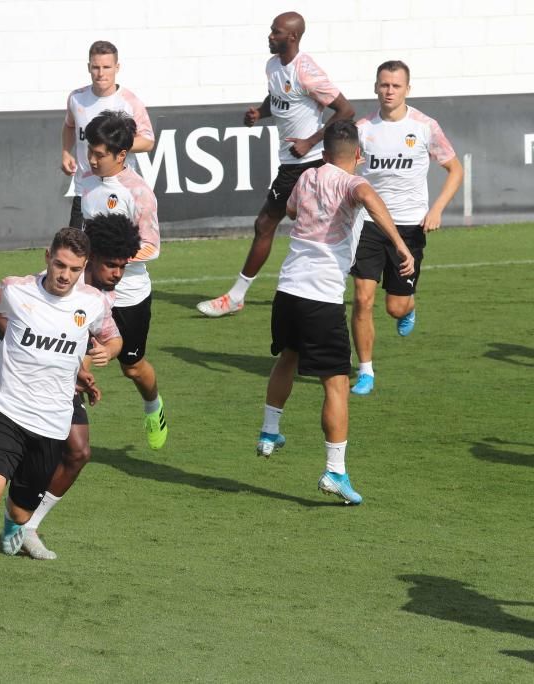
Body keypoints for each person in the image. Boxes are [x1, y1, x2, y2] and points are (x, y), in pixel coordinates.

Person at [0, 228, 122, 630]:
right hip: (8, 411)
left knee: (19, 511)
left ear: (84, 269)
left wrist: (105, 353)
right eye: (59, 265)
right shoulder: (16, 290)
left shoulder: (93, 302)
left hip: (52, 424)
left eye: (75, 269)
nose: (65, 275)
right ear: (47, 256)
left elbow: (111, 336)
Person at [0, 213, 141, 561]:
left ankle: (24, 522)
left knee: (79, 451)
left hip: (59, 386)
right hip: (9, 376)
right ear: (93, 262)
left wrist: (83, 367)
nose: (117, 274)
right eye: (112, 266)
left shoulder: (98, 298)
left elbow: (101, 339)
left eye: (123, 267)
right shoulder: (33, 285)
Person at [256, 120, 414, 505]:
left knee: (288, 357)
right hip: (320, 297)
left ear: (324, 153)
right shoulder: (350, 183)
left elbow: (291, 211)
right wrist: (399, 246)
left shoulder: (307, 176)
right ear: (357, 156)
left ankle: (268, 431)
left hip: (287, 289)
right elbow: (368, 197)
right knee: (337, 382)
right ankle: (335, 471)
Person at [197, 11, 354, 318]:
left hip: (307, 164)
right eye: (271, 31)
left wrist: (310, 140)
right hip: (291, 163)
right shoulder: (273, 66)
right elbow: (279, 98)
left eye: (276, 32)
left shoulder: (307, 72)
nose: (270, 36)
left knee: (268, 225)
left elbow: (345, 109)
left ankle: (236, 297)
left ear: (292, 37)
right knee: (314, 226)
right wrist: (259, 112)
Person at [349, 60, 463, 395]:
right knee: (362, 298)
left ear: (407, 90)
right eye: (384, 84)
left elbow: (455, 170)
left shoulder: (425, 127)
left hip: (410, 226)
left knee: (395, 306)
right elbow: (347, 169)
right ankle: (366, 371)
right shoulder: (362, 128)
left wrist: (437, 209)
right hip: (369, 224)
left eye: (396, 86)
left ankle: (408, 307)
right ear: (375, 87)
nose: (389, 91)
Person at [80, 110, 167, 450]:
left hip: (129, 294)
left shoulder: (139, 193)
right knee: (75, 357)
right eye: (90, 151)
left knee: (131, 367)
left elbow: (152, 248)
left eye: (99, 154)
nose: (92, 159)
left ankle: (153, 406)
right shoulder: (86, 181)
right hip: (88, 290)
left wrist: (113, 258)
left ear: (120, 155)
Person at [61, 40, 155, 229]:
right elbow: (69, 126)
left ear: (117, 67)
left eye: (107, 67)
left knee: (120, 252)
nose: (101, 73)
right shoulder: (76, 98)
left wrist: (114, 143)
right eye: (96, 67)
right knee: (77, 252)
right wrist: (65, 152)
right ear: (88, 67)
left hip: (119, 190)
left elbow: (148, 141)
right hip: (85, 189)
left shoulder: (130, 102)